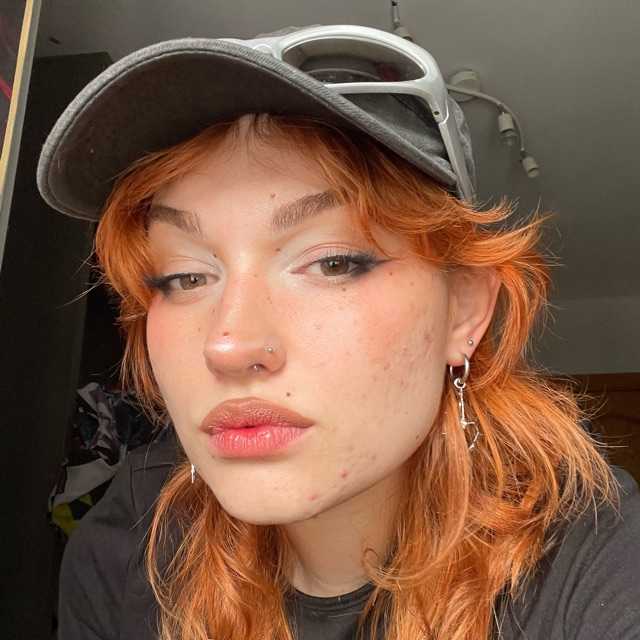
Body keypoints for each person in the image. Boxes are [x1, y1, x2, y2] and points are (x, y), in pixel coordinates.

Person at [37, 25, 640, 640]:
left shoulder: (596, 558)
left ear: (463, 311)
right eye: (185, 276)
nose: (228, 345)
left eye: (331, 262)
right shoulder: (126, 545)